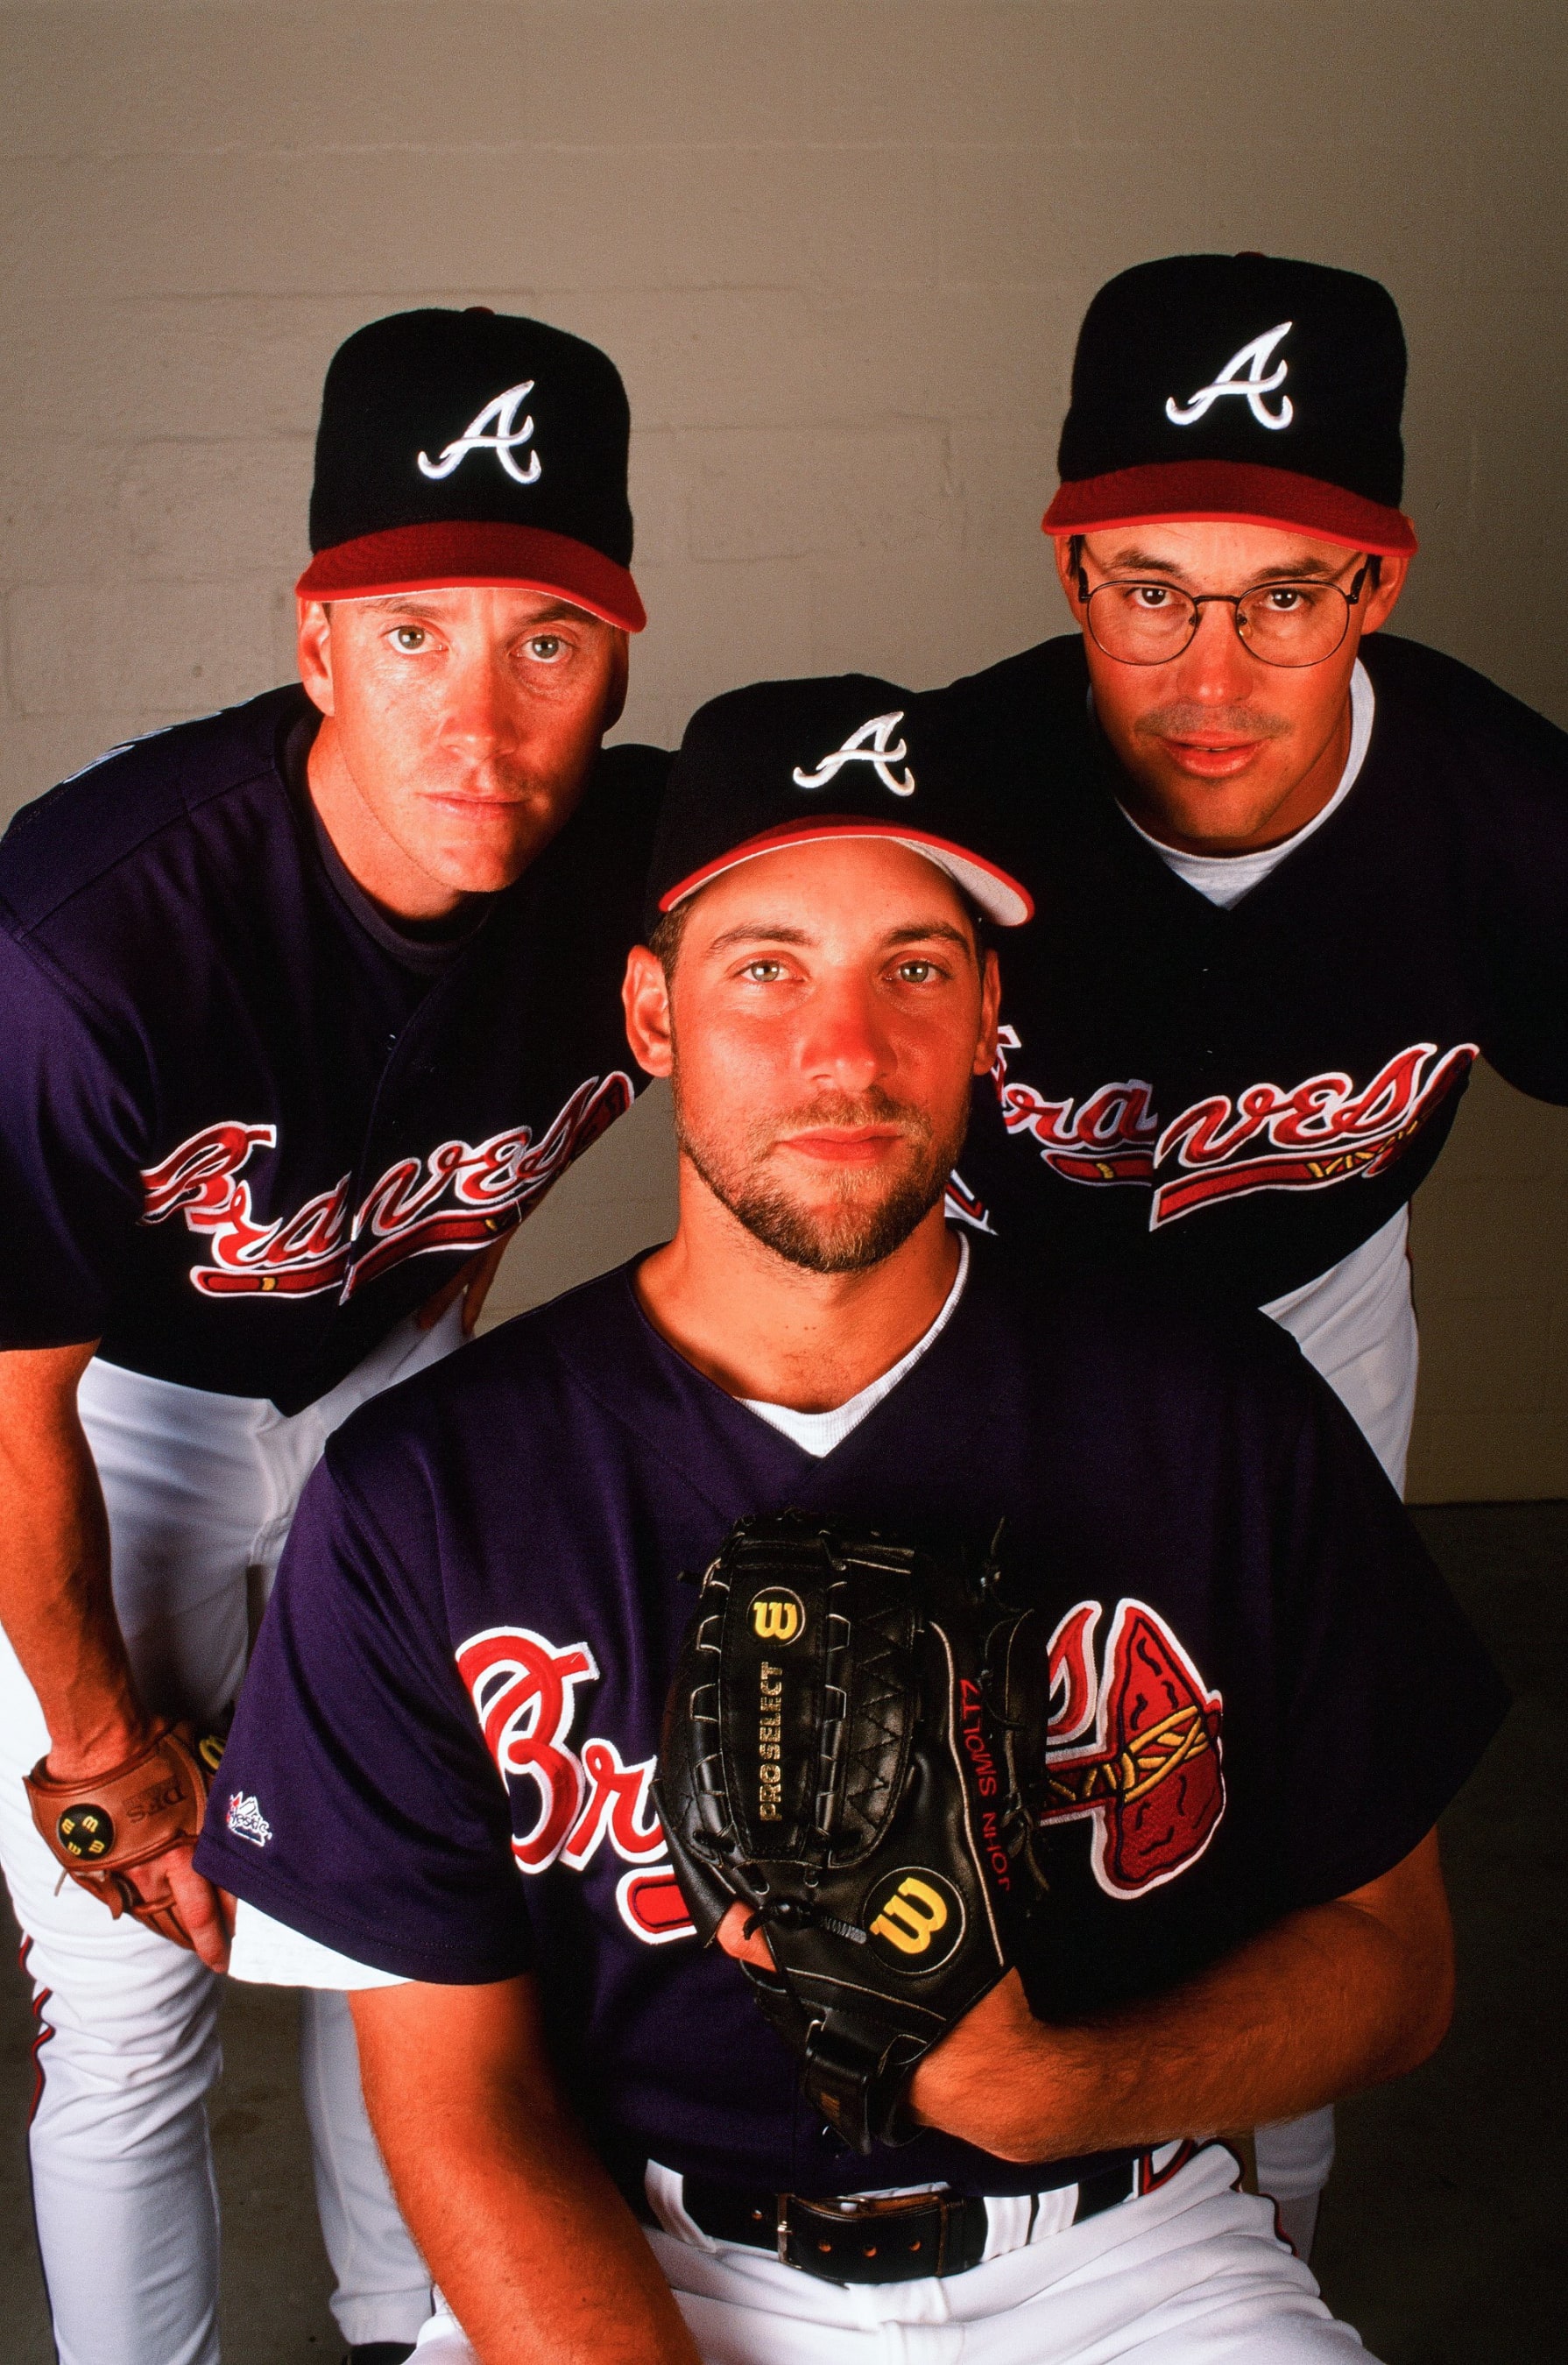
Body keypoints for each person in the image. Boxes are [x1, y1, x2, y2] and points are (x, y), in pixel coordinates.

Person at [197, 675, 1505, 2365]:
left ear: (985, 1019)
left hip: (1125, 2255)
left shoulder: (1214, 1409)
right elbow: (457, 2105)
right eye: (765, 969)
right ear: (652, 1017)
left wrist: (1059, 2091)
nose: (845, 1052)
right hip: (644, 2264)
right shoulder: (429, 1488)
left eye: (913, 967)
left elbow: (1394, 1966)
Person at [0, 304, 665, 2365]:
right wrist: (107, 1749)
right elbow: (7, 1414)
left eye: (544, 641)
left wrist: (432, 1359)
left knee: (413, 1936)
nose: (479, 716)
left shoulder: (634, 875)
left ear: (619, 657)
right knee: (129, 2010)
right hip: (119, 1414)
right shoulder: (83, 939)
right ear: (314, 643)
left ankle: (418, 2339)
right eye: (412, 636)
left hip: (387, 1382)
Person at [922, 251, 1568, 2248]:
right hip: (987, 1326)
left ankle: (1256, 2238)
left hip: (1306, 1313)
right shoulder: (949, 790)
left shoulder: (1505, 816)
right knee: (976, 1801)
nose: (1213, 675)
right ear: (1069, 569)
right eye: (1154, 592)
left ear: (1373, 587)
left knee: (1295, 1806)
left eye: (1283, 596)